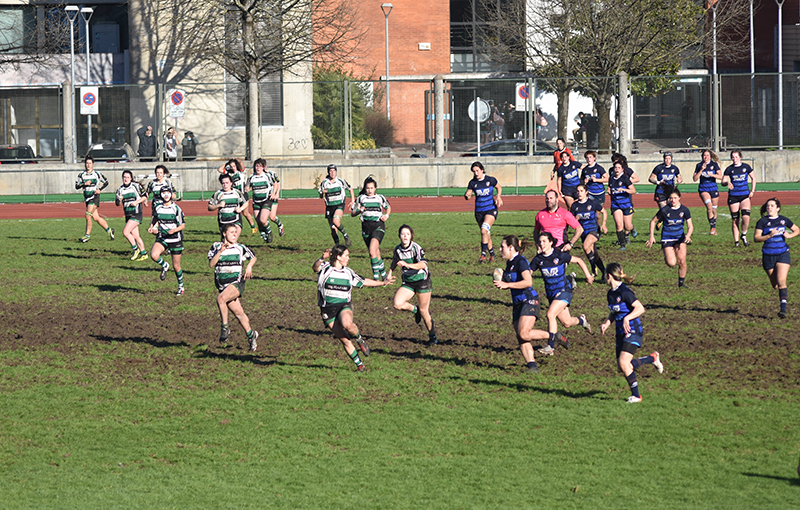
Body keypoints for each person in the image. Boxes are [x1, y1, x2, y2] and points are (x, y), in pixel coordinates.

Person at [312, 245, 395, 372]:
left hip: (343, 305)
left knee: (347, 324)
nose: (348, 258)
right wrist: (321, 258)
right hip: (327, 310)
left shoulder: (348, 272)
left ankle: (360, 340)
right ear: (338, 257)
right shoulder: (325, 268)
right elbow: (315, 267)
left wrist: (382, 283)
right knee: (344, 339)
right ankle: (360, 365)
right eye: (346, 255)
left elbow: (363, 281)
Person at [599, 263, 664, 403]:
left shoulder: (625, 292)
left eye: (605, 275)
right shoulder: (610, 293)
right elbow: (614, 312)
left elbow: (640, 308)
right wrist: (606, 323)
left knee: (624, 363)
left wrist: (627, 318)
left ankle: (636, 396)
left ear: (609, 275)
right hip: (620, 332)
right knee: (621, 366)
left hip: (633, 330)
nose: (604, 277)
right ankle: (652, 358)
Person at [529, 232, 594, 357]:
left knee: (550, 314)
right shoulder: (538, 260)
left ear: (551, 242)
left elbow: (579, 260)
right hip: (551, 295)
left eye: (544, 241)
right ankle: (582, 321)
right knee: (567, 322)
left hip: (564, 291)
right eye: (540, 242)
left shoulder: (559, 256)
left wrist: (588, 276)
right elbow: (528, 274)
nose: (541, 244)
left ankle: (550, 346)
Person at [492, 235, 550, 373]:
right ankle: (532, 366)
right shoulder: (510, 263)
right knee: (521, 336)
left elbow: (528, 282)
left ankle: (553, 336)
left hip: (529, 300)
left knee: (524, 333)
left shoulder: (521, 261)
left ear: (511, 248)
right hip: (517, 303)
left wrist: (507, 285)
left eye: (502, 247)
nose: (500, 249)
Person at [208, 224, 259, 350]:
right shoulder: (216, 246)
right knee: (239, 314)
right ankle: (251, 335)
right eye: (232, 232)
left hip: (237, 283)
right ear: (224, 234)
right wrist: (220, 251)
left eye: (236, 232)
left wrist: (249, 266)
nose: (235, 234)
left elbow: (253, 257)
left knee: (221, 299)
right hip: (223, 285)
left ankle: (225, 328)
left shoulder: (240, 248)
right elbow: (211, 264)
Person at [388, 224, 437, 344]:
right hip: (409, 282)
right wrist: (389, 273)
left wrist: (407, 265)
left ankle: (433, 337)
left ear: (411, 236)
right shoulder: (398, 249)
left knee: (425, 311)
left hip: (422, 281)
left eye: (407, 234)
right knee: (397, 304)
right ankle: (415, 310)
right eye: (403, 234)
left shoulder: (416, 248)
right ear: (399, 235)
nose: (405, 236)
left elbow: (423, 264)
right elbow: (395, 261)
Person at [754, 198, 800, 318]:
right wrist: (769, 235)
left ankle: (783, 310)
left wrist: (790, 235)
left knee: (781, 282)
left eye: (772, 206)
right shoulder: (762, 221)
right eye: (768, 206)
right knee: (775, 285)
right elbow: (756, 238)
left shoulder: (783, 220)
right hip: (768, 256)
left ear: (778, 208)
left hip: (783, 254)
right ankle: (782, 301)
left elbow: (797, 229)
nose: (769, 208)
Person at [645, 186, 694, 288]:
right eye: (671, 198)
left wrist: (688, 235)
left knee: (682, 261)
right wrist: (651, 237)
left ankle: (681, 284)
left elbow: (690, 225)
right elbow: (653, 221)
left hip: (680, 238)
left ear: (679, 198)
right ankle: (668, 253)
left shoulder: (684, 210)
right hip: (667, 238)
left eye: (675, 198)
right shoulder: (665, 210)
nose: (673, 200)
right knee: (672, 263)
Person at [147, 186, 186, 296]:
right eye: (163, 192)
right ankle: (164, 265)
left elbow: (182, 225)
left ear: (171, 194)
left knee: (176, 266)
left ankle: (181, 286)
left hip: (175, 239)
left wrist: (174, 230)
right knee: (154, 255)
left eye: (168, 192)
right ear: (161, 195)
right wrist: (151, 226)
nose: (166, 195)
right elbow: (155, 217)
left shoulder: (176, 209)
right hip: (162, 237)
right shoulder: (158, 207)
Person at [352, 176, 391, 280]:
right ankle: (384, 275)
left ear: (375, 188)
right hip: (366, 227)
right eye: (368, 188)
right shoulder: (361, 198)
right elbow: (352, 213)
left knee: (372, 250)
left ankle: (376, 279)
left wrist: (386, 216)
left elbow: (388, 207)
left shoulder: (380, 198)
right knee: (375, 253)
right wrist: (359, 211)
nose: (370, 190)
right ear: (365, 188)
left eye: (372, 188)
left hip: (378, 225)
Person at [464, 161, 503, 263]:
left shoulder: (490, 180)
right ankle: (492, 254)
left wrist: (498, 196)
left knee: (483, 230)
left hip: (490, 209)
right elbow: (468, 194)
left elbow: (499, 187)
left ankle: (483, 255)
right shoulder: (472, 183)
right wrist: (467, 195)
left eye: (477, 170)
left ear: (482, 170)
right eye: (474, 171)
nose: (476, 173)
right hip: (479, 212)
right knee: (486, 234)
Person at [75, 155, 115, 243]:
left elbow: (106, 182)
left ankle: (87, 236)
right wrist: (84, 184)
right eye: (87, 163)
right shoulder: (81, 175)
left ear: (93, 164)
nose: (88, 165)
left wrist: (99, 189)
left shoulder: (97, 174)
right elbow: (77, 186)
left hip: (94, 197)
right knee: (96, 217)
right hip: (87, 198)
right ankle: (109, 230)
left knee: (88, 215)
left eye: (90, 163)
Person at [722, 150, 756, 247]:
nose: (734, 159)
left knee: (746, 217)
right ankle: (736, 242)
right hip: (733, 196)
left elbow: (754, 178)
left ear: (740, 157)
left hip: (745, 195)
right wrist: (727, 183)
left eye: (736, 157)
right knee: (735, 219)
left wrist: (752, 191)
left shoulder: (746, 167)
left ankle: (744, 234)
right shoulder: (729, 169)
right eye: (733, 157)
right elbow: (723, 181)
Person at [571, 184, 606, 278]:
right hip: (583, 232)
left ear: (586, 192)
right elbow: (572, 222)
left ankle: (593, 268)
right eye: (578, 191)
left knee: (585, 246)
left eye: (581, 191)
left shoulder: (592, 203)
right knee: (593, 254)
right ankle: (604, 272)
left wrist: (604, 224)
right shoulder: (575, 205)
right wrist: (575, 220)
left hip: (594, 230)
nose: (579, 193)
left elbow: (604, 211)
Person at [246, 158, 284, 243]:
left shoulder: (271, 174)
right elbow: (248, 185)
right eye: (257, 166)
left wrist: (276, 193)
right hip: (257, 201)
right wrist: (247, 188)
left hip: (269, 198)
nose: (258, 168)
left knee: (272, 217)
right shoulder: (252, 177)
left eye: (261, 166)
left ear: (264, 167)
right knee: (259, 221)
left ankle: (279, 226)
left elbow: (276, 184)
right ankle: (264, 234)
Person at [115, 170, 148, 261]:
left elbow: (145, 196)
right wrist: (120, 200)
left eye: (128, 177)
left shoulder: (135, 186)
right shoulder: (120, 189)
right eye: (124, 177)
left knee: (125, 232)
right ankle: (144, 253)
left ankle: (135, 249)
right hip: (128, 214)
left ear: (131, 178)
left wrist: (136, 202)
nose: (126, 179)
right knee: (136, 236)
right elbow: (117, 203)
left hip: (136, 212)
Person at [318, 163, 355, 246]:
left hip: (339, 204)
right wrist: (322, 193)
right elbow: (321, 195)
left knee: (336, 221)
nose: (332, 173)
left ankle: (345, 235)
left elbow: (350, 188)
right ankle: (338, 246)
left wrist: (353, 200)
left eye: (334, 171)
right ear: (328, 172)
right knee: (333, 229)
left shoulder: (340, 181)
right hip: (329, 206)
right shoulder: (324, 182)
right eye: (330, 171)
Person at [217, 158, 257, 234]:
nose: (233, 167)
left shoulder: (241, 172)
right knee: (235, 211)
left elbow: (241, 163)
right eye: (231, 166)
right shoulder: (229, 173)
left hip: (243, 195)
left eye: (234, 166)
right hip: (235, 196)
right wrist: (227, 163)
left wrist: (236, 159)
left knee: (245, 213)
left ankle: (253, 227)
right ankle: (234, 228)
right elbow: (219, 170)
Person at [693, 149, 723, 235]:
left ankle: (714, 227)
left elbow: (721, 176)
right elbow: (695, 179)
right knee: (709, 206)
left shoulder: (714, 165)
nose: (706, 157)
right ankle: (712, 227)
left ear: (710, 156)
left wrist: (712, 175)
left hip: (713, 189)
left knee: (714, 209)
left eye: (707, 155)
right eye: (704, 155)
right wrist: (701, 170)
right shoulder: (699, 165)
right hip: (703, 189)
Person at [608, 160, 637, 250]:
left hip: (626, 204)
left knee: (627, 226)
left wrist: (624, 190)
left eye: (619, 168)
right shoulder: (611, 178)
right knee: (619, 225)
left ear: (622, 169)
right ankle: (622, 245)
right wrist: (609, 191)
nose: (616, 169)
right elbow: (609, 188)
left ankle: (632, 228)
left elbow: (633, 191)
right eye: (615, 168)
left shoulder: (625, 179)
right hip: (615, 204)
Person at [209, 173, 247, 237]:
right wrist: (218, 205)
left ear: (231, 183)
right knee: (226, 242)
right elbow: (210, 207)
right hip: (223, 220)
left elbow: (246, 203)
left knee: (233, 239)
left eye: (227, 183)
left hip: (235, 219)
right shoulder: (218, 194)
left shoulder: (237, 192)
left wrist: (240, 209)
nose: (225, 185)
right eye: (223, 183)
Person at [580, 150, 609, 233]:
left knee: (598, 213)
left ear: (594, 158)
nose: (589, 159)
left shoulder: (599, 168)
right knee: (590, 211)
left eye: (590, 157)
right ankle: (592, 230)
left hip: (599, 193)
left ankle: (598, 228)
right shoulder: (585, 170)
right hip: (590, 193)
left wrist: (597, 180)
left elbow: (607, 179)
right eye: (587, 157)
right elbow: (581, 181)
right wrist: (584, 182)